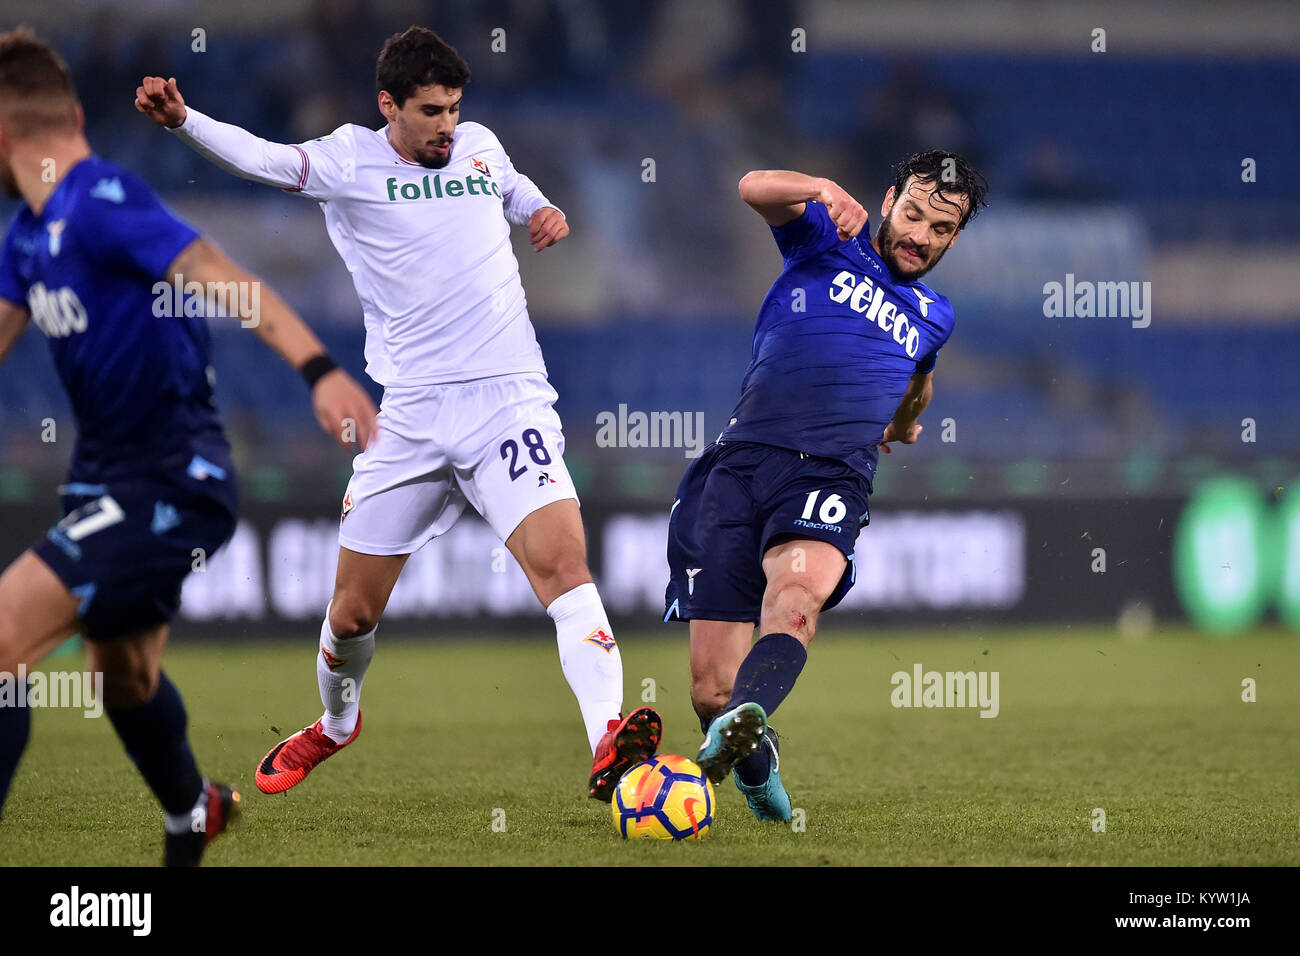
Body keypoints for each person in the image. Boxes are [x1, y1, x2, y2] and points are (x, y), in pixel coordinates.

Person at [135, 25, 661, 802]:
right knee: (351, 615)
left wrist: (543, 209)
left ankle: (607, 744)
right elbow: (263, 158)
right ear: (390, 106)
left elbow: (512, 186)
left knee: (564, 569)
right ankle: (337, 724)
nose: (446, 123)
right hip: (410, 418)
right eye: (430, 111)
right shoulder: (348, 160)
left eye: (453, 107)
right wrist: (186, 122)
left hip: (508, 399)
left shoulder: (479, 144)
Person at [0, 28, 377, 864]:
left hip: (175, 480)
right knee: (123, 679)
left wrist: (318, 367)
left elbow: (213, 269)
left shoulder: (98, 199)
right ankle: (193, 813)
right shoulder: (25, 239)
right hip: (100, 483)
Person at [664, 152, 988, 820]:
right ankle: (753, 751)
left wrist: (902, 424)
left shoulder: (935, 313)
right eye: (914, 213)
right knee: (707, 688)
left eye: (940, 228)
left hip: (831, 473)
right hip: (743, 462)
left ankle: (745, 716)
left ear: (954, 238)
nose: (920, 235)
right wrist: (821, 186)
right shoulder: (826, 238)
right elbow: (751, 187)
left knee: (795, 601)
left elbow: (919, 379)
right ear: (891, 198)